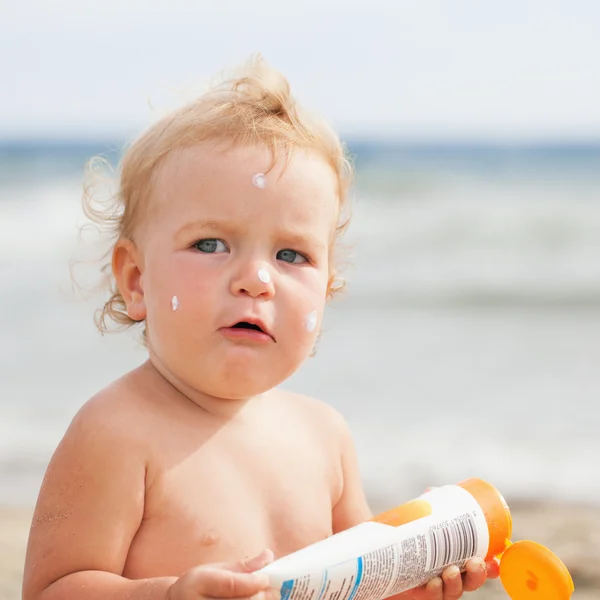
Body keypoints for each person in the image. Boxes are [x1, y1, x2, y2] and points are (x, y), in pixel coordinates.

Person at [22, 55, 499, 600]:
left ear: (327, 290)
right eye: (210, 244)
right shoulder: (116, 432)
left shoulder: (326, 438)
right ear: (136, 279)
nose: (255, 280)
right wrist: (166, 594)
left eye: (291, 254)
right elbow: (52, 590)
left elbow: (359, 585)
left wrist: (410, 585)